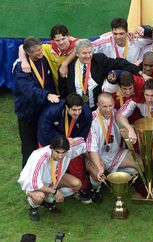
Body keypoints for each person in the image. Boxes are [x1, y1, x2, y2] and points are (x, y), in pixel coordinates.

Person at [13, 36, 59, 168]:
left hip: (42, 110)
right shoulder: (21, 67)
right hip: (27, 113)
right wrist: (47, 95)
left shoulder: (42, 59)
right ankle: (27, 179)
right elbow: (29, 90)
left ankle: (43, 173)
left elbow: (47, 82)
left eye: (41, 49)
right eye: (38, 50)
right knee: (29, 146)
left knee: (44, 143)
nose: (41, 52)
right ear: (29, 53)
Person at [37, 93, 92, 203]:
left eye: (79, 109)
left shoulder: (86, 113)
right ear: (66, 107)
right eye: (74, 110)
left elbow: (83, 134)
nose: (77, 113)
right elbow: (44, 131)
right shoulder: (52, 111)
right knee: (49, 169)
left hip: (71, 142)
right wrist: (63, 139)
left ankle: (82, 190)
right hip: (50, 142)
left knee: (77, 164)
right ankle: (45, 192)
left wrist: (74, 142)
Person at [86, 93, 141, 202]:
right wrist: (99, 166)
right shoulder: (91, 119)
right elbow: (92, 149)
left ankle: (113, 176)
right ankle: (95, 189)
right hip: (98, 155)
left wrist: (126, 135)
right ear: (98, 105)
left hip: (115, 153)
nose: (108, 109)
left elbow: (126, 134)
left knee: (140, 164)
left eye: (110, 106)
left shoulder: (117, 115)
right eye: (104, 106)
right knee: (97, 172)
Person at [58, 39, 142, 110]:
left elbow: (119, 63)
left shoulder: (99, 60)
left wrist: (139, 72)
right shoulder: (66, 68)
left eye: (90, 52)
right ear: (76, 54)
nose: (88, 56)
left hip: (96, 109)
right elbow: (63, 91)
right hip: (75, 110)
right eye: (84, 53)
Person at [18, 136, 86, 221]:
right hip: (31, 182)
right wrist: (55, 192)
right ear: (51, 148)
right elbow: (35, 184)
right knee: (39, 196)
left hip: (53, 178)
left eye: (64, 152)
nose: (60, 156)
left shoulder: (69, 151)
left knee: (77, 184)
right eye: (57, 152)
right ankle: (33, 209)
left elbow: (84, 142)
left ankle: (49, 200)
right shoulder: (40, 158)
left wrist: (71, 140)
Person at [19, 25, 78, 91]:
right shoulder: (48, 48)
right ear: (53, 40)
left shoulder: (77, 47)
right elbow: (22, 47)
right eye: (57, 40)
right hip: (58, 90)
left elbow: (84, 45)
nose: (61, 42)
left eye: (63, 39)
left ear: (68, 36)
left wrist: (65, 63)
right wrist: (24, 61)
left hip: (75, 88)